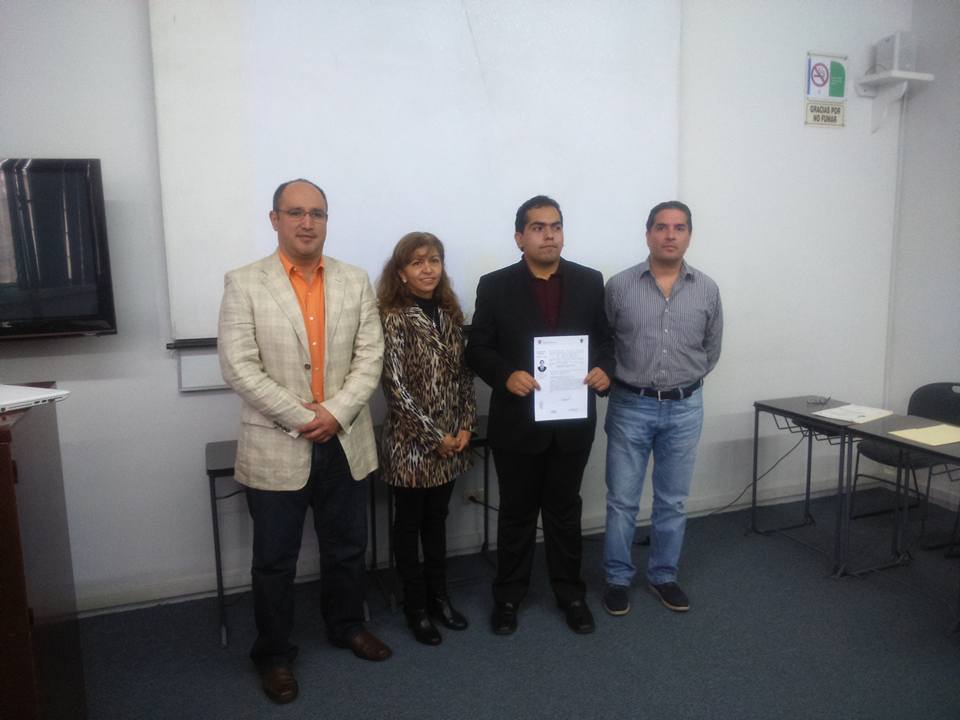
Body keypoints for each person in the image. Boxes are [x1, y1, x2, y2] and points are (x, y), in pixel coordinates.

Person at [218, 179, 389, 705]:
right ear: (275, 219)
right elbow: (239, 367)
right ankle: (273, 654)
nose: (307, 222)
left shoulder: (354, 280)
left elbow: (371, 356)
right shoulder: (244, 282)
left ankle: (346, 626)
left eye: (317, 213)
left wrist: (335, 413)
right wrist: (303, 417)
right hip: (277, 442)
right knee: (274, 560)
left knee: (347, 548)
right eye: (295, 213)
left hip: (344, 439)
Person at [466, 195, 614, 636]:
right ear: (519, 238)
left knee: (565, 512)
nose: (549, 235)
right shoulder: (495, 285)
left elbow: (606, 341)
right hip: (517, 423)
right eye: (537, 227)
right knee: (516, 513)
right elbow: (478, 348)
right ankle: (508, 596)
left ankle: (571, 594)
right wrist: (505, 375)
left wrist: (605, 369)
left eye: (555, 226)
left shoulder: (590, 281)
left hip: (572, 422)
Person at [601, 200, 722, 617]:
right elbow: (605, 343)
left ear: (689, 235)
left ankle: (663, 575)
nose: (670, 235)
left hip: (685, 408)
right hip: (630, 405)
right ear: (648, 233)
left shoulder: (707, 289)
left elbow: (711, 349)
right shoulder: (619, 286)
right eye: (662, 227)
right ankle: (617, 579)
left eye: (679, 228)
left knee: (673, 500)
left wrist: (683, 382)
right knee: (622, 500)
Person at [376, 232, 477, 645]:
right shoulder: (392, 316)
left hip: (452, 441)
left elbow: (464, 377)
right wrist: (435, 437)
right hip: (412, 445)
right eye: (417, 262)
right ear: (401, 272)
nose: (427, 269)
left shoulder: (450, 313)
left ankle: (440, 598)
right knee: (409, 526)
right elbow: (395, 387)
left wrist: (466, 426)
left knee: (437, 523)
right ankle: (415, 608)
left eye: (434, 260)